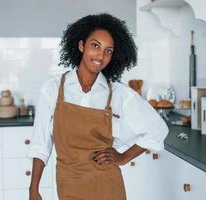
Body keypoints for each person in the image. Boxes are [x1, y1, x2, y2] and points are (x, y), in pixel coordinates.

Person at [28, 13, 168, 200]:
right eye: (95, 45)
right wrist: (33, 189)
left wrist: (123, 157)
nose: (101, 55)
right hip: (69, 185)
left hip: (108, 185)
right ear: (81, 46)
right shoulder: (53, 89)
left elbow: (158, 129)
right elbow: (41, 145)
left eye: (108, 50)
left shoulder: (118, 93)